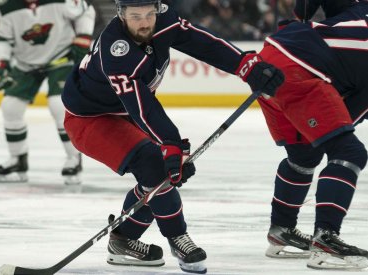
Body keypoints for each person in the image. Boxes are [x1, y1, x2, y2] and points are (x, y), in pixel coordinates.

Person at [61, 0, 284, 273]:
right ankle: (178, 238)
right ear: (121, 15)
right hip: (90, 119)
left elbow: (200, 41)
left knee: (162, 174)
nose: (144, 22)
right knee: (155, 164)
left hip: (129, 112)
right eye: (135, 16)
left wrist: (243, 64)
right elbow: (142, 105)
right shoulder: (116, 51)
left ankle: (124, 239)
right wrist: (171, 143)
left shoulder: (164, 19)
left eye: (148, 14)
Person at [255, 0, 368, 270]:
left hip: (271, 56)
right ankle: (326, 240)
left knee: (304, 154)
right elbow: (346, 117)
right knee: (349, 152)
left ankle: (282, 230)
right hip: (299, 70)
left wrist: (299, 15)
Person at [0, 0, 95, 184]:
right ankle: (17, 160)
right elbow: (1, 38)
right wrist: (2, 64)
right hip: (26, 63)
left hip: (61, 58)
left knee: (58, 104)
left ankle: (73, 158)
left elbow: (86, 12)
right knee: (11, 106)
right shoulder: (5, 5)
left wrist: (83, 37)